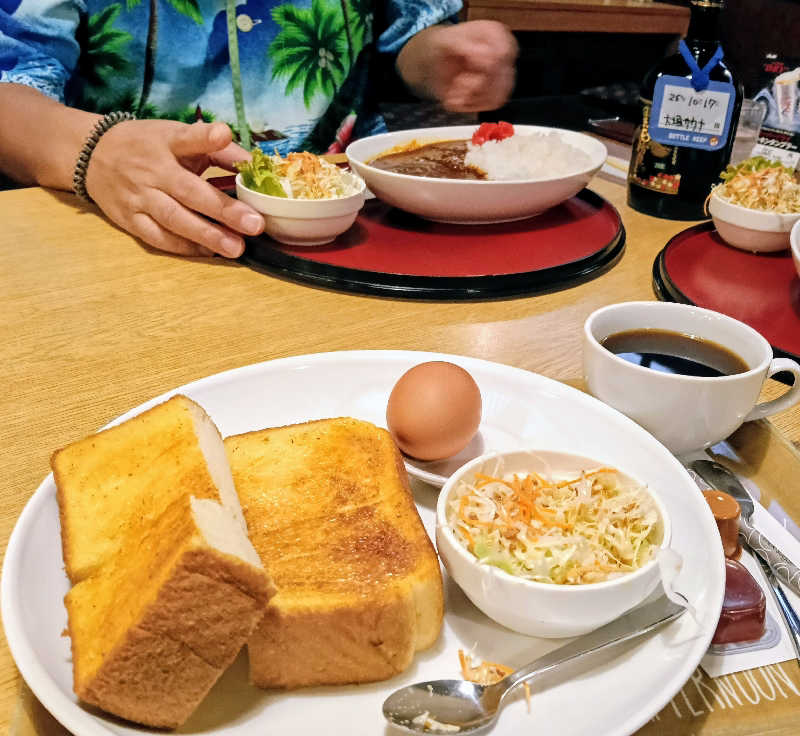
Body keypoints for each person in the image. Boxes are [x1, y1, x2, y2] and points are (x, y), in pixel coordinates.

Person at [0, 0, 517, 257]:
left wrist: (436, 59)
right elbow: (11, 86)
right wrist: (96, 150)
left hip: (353, 226)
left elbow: (399, 34)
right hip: (127, 233)